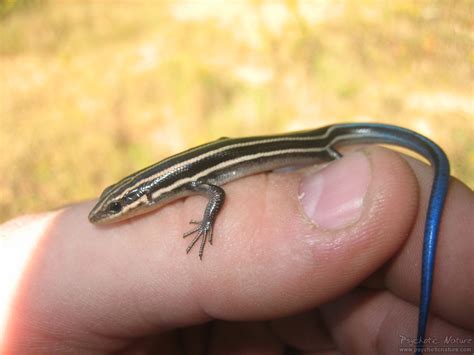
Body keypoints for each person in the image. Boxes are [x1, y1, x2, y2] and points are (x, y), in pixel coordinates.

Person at [1, 147, 472, 353]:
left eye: (120, 205)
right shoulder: (179, 182)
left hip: (317, 146)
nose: (114, 213)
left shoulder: (191, 182)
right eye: (116, 204)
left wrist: (206, 226)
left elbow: (219, 196)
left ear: (143, 197)